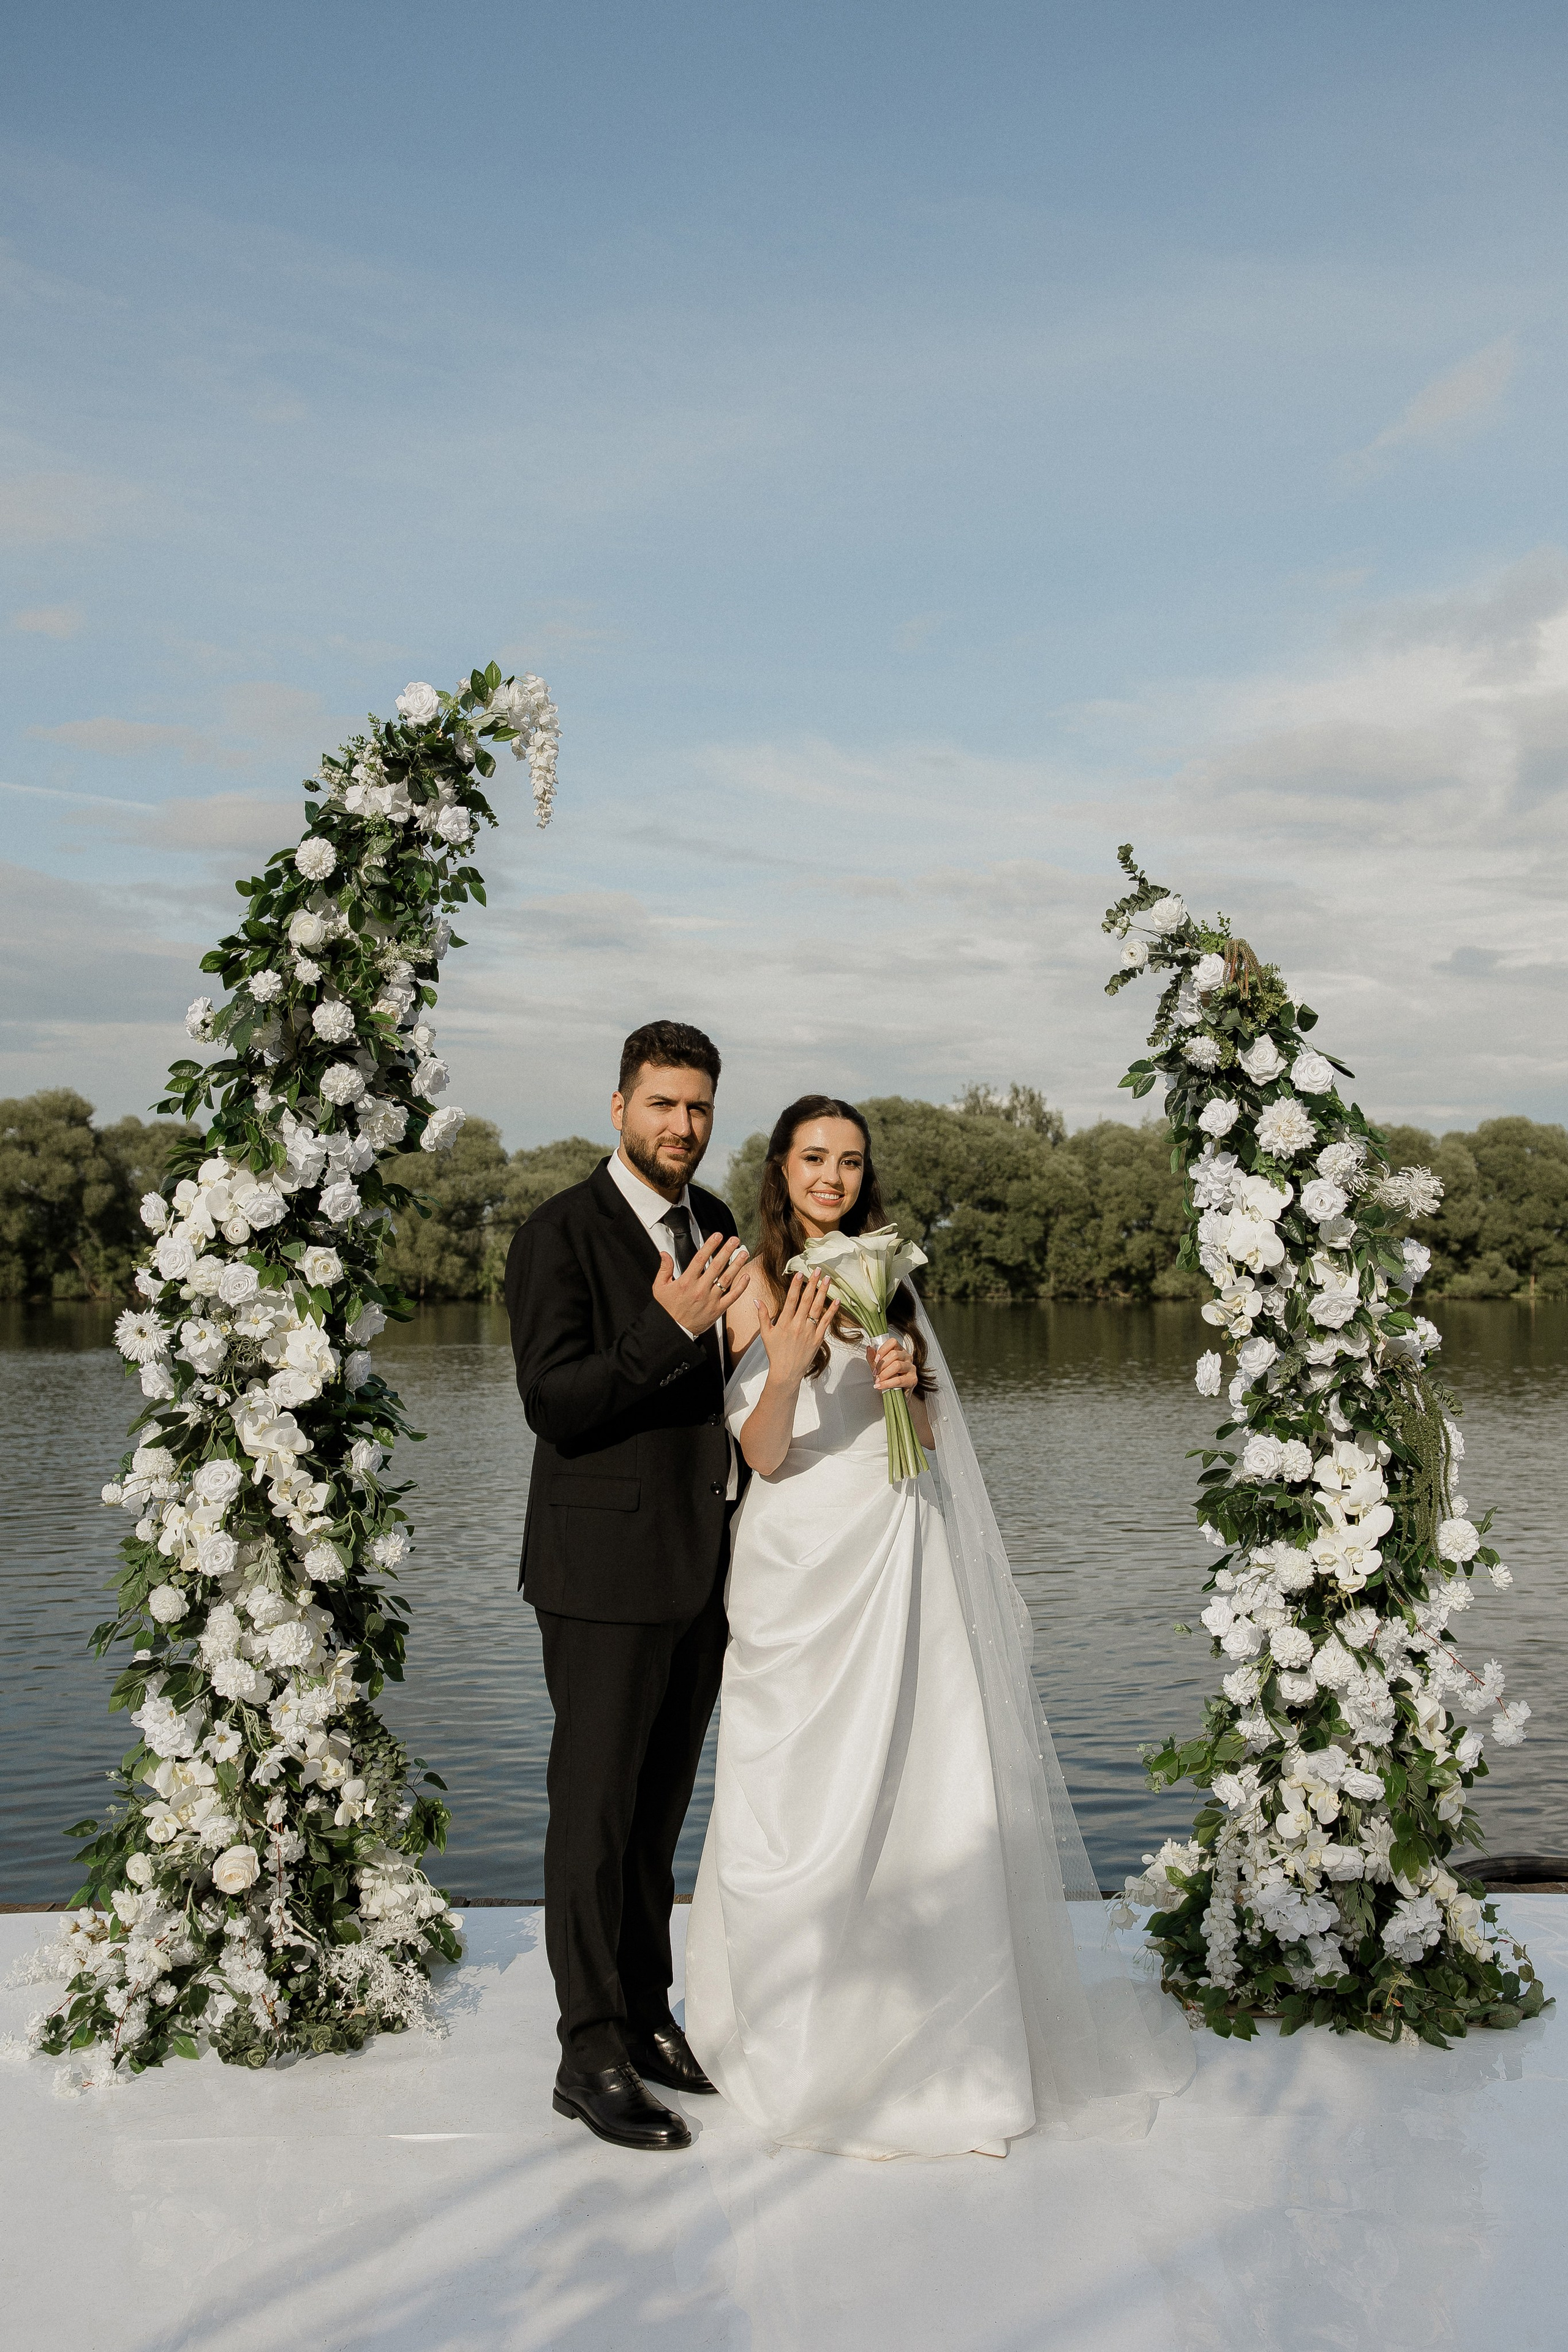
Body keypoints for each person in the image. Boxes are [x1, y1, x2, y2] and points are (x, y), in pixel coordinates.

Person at [683, 1095, 1194, 2158]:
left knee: (921, 1771)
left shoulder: (889, 1275)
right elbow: (765, 1456)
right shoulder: (750, 1280)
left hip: (896, 1543)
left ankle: (938, 2027)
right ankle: (788, 2031)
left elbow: (922, 1433)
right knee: (794, 1788)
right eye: (814, 1158)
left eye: (851, 1162)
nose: (833, 1176)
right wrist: (782, 1370)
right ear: (779, 1169)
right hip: (796, 1565)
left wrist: (907, 1387)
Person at [504, 1020, 751, 2152]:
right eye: (662, 1105)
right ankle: (587, 2048)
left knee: (656, 1818)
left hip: (703, 1566)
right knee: (593, 1820)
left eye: (698, 1107)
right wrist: (665, 1329)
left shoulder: (718, 1223)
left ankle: (647, 2016)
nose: (682, 1128)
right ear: (618, 1108)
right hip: (600, 1573)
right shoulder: (556, 1234)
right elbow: (556, 1403)